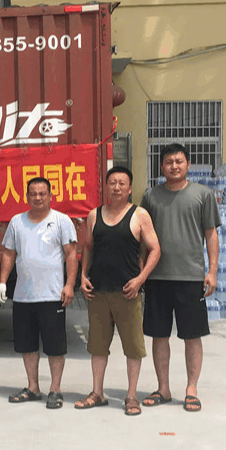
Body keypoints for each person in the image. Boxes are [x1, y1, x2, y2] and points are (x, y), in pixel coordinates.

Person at [140, 143, 221, 413]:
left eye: (179, 161)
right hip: (157, 277)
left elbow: (211, 234)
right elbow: (142, 237)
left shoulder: (202, 195)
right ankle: (163, 388)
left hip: (191, 277)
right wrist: (142, 273)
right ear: (161, 166)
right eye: (168, 162)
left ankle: (191, 389)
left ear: (187, 164)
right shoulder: (150, 196)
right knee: (159, 335)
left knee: (192, 336)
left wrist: (212, 271)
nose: (174, 166)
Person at [75, 166, 161, 416]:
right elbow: (87, 247)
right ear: (106, 187)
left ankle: (131, 396)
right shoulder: (94, 215)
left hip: (128, 293)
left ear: (130, 188)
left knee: (133, 348)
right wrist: (83, 276)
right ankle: (97, 393)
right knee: (97, 346)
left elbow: (155, 249)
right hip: (98, 292)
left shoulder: (140, 215)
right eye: (112, 182)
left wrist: (140, 280)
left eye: (122, 183)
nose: (117, 187)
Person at [0, 177, 78, 410]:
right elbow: (9, 253)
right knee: (27, 345)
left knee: (55, 346)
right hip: (24, 296)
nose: (38, 197)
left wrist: (69, 285)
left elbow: (71, 254)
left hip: (52, 296)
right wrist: (2, 282)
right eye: (33, 193)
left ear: (51, 196)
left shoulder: (62, 221)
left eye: (43, 193)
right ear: (27, 197)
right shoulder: (17, 222)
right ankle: (33, 387)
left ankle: (55, 389)